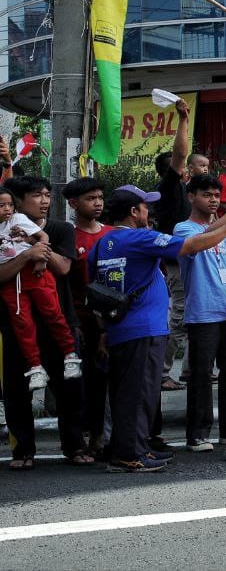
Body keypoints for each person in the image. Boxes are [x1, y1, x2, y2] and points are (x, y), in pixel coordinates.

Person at [93, 184, 226, 472]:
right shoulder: (140, 237)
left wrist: (102, 330)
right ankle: (128, 455)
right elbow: (189, 246)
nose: (148, 212)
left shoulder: (104, 243)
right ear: (134, 211)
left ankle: (137, 449)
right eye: (145, 206)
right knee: (138, 394)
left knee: (133, 393)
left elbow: (96, 285)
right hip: (142, 328)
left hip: (119, 327)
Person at [0, 175, 87, 469]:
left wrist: (39, 249)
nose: (45, 201)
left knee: (70, 389)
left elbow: (63, 267)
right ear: (18, 202)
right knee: (16, 390)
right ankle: (23, 450)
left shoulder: (60, 229)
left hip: (59, 322)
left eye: (47, 195)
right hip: (17, 324)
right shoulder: (2, 233)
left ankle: (75, 447)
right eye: (37, 196)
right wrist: (27, 255)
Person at [174, 174, 226, 452]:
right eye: (207, 195)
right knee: (201, 376)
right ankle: (198, 434)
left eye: (217, 195)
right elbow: (201, 241)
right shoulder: (183, 228)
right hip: (202, 313)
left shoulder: (220, 231)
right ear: (191, 197)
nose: (214, 200)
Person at [0, 189, 81, 390]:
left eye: (10, 204)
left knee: (53, 313)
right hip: (11, 281)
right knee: (23, 324)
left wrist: (42, 261)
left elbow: (43, 236)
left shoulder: (18, 219)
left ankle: (70, 355)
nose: (7, 209)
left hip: (35, 274)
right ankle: (35, 367)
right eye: (2, 205)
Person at [153, 97, 204, 391]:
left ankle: (189, 370)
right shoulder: (170, 187)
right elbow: (180, 155)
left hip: (191, 261)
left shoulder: (187, 193)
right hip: (177, 262)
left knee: (196, 315)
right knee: (180, 317)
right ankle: (162, 372)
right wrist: (183, 120)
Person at [65, 177, 114, 457]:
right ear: (73, 203)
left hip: (109, 321)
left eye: (99, 198)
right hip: (80, 320)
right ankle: (78, 438)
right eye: (90, 199)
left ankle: (99, 436)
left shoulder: (111, 233)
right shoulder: (68, 237)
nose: (97, 203)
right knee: (78, 383)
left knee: (102, 382)